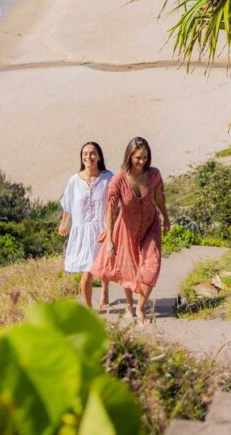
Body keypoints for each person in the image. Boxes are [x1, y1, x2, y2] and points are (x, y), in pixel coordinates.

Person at [91, 136, 170, 324]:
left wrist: (166, 217)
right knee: (128, 269)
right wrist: (110, 238)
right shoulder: (119, 179)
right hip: (127, 228)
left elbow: (159, 198)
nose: (142, 162)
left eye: (145, 157)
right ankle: (128, 306)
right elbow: (111, 210)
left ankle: (140, 308)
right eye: (138, 158)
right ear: (129, 156)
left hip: (151, 226)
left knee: (153, 265)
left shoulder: (154, 174)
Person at [58, 141, 113, 309]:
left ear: (99, 156)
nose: (88, 157)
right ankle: (88, 309)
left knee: (103, 266)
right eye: (85, 154)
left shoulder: (107, 177)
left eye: (92, 153)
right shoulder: (75, 180)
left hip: (101, 229)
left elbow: (114, 204)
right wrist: (63, 224)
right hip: (82, 231)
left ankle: (104, 291)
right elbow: (69, 204)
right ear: (81, 157)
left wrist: (110, 230)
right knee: (87, 271)